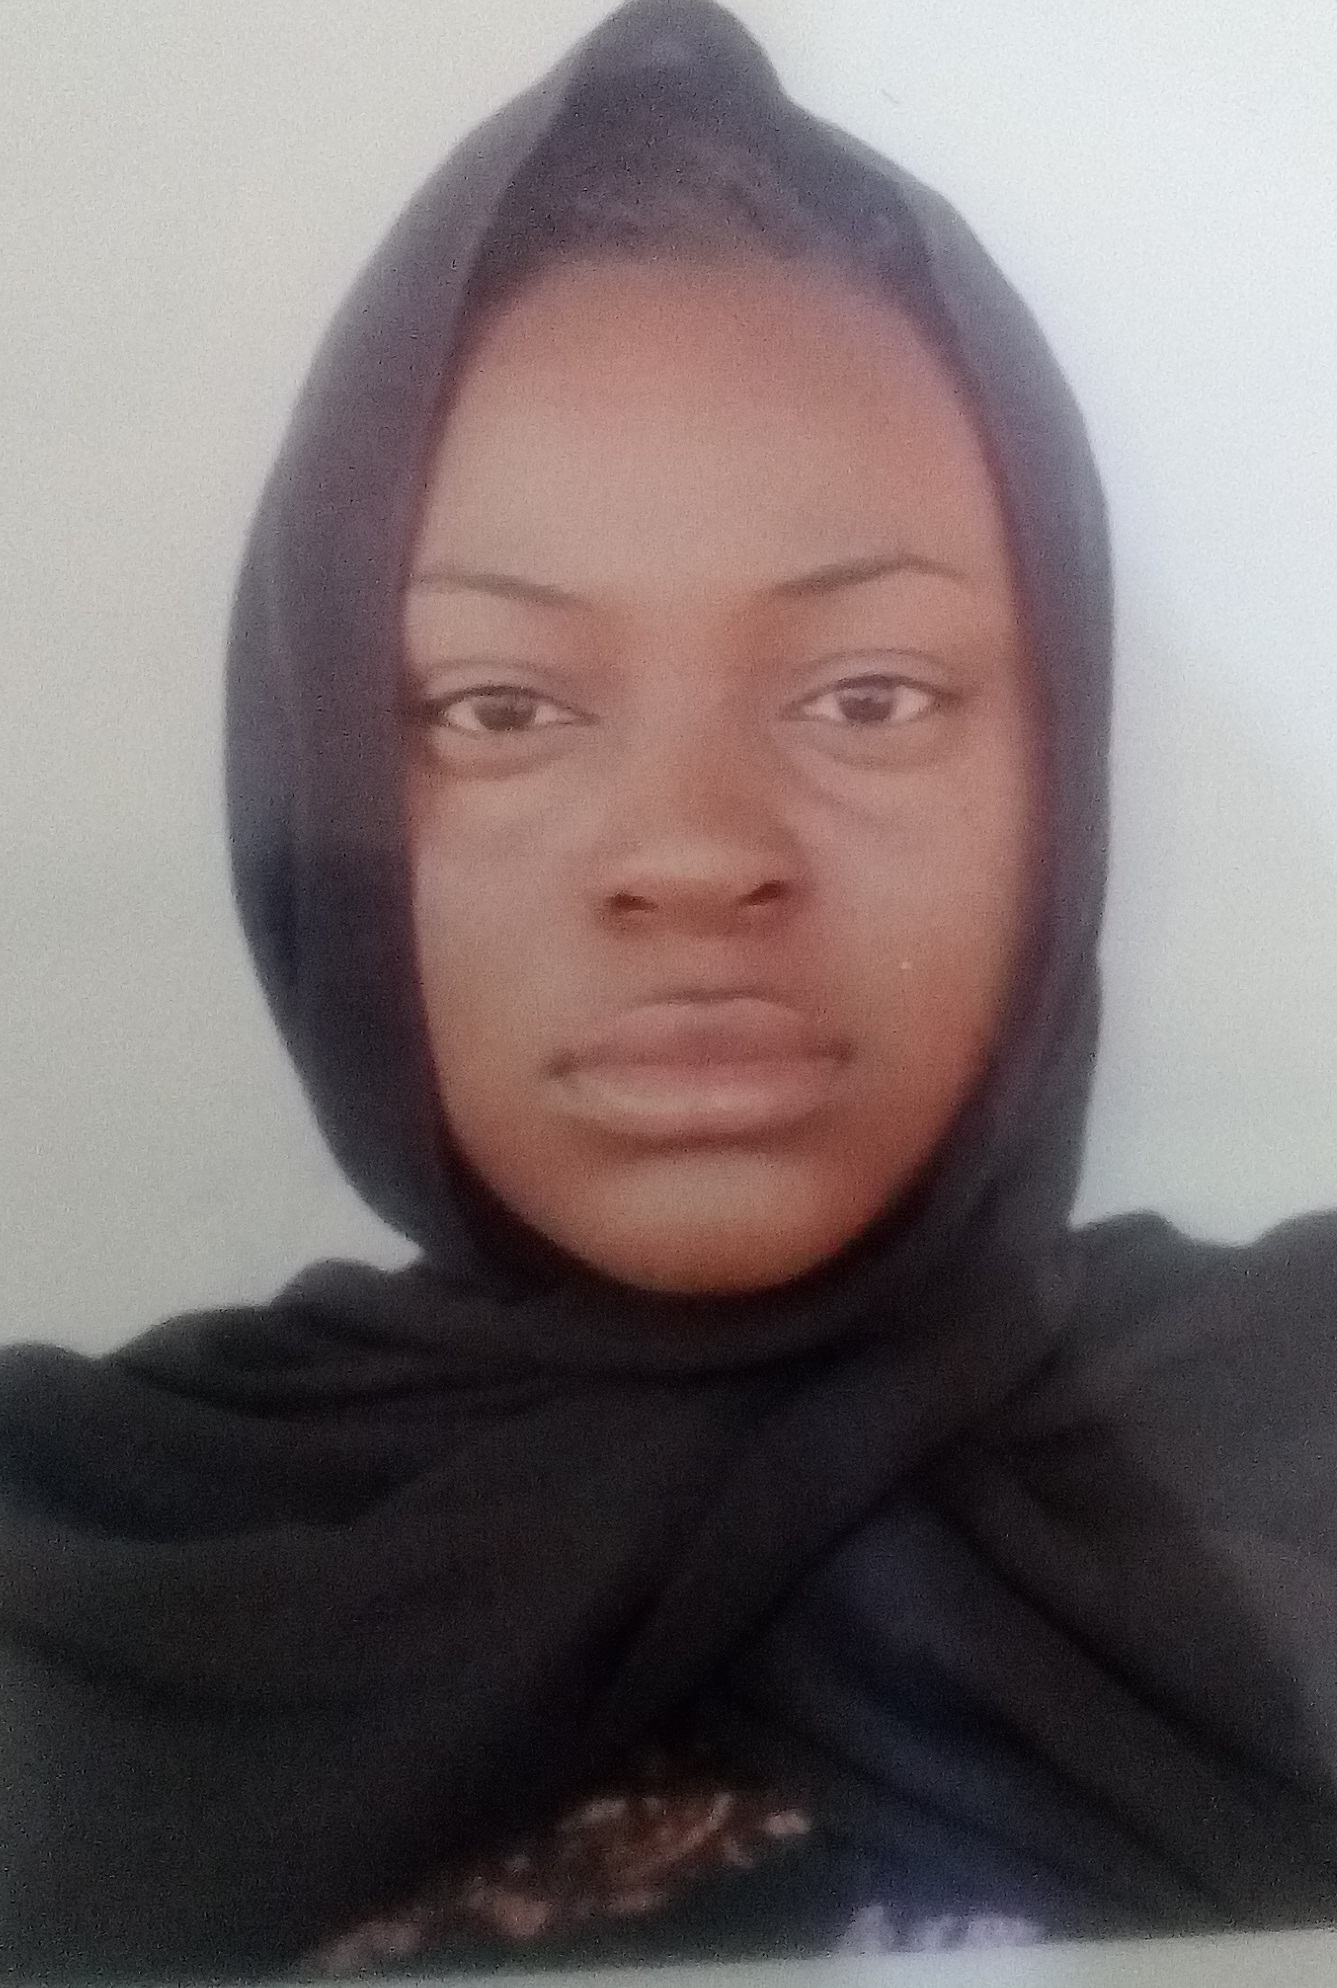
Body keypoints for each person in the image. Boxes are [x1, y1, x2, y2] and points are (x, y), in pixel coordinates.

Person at [3, 0, 1336, 1977]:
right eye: (500, 708)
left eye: (868, 696)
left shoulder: (1302, 1429)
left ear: (1061, 762)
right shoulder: (69, 1580)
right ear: (316, 771)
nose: (697, 852)